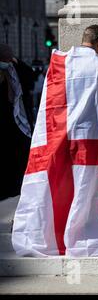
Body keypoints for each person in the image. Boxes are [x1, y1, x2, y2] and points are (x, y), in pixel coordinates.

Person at [12, 25, 98, 257]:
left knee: (54, 183)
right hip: (87, 137)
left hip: (55, 135)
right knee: (83, 189)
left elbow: (48, 104)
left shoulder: (59, 63)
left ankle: (45, 236)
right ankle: (80, 239)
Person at [0, 44, 35, 200]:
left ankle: (19, 183)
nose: (9, 59)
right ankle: (9, 186)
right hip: (5, 121)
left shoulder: (15, 68)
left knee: (23, 149)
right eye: (6, 57)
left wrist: (17, 61)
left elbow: (31, 77)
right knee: (8, 154)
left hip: (19, 117)